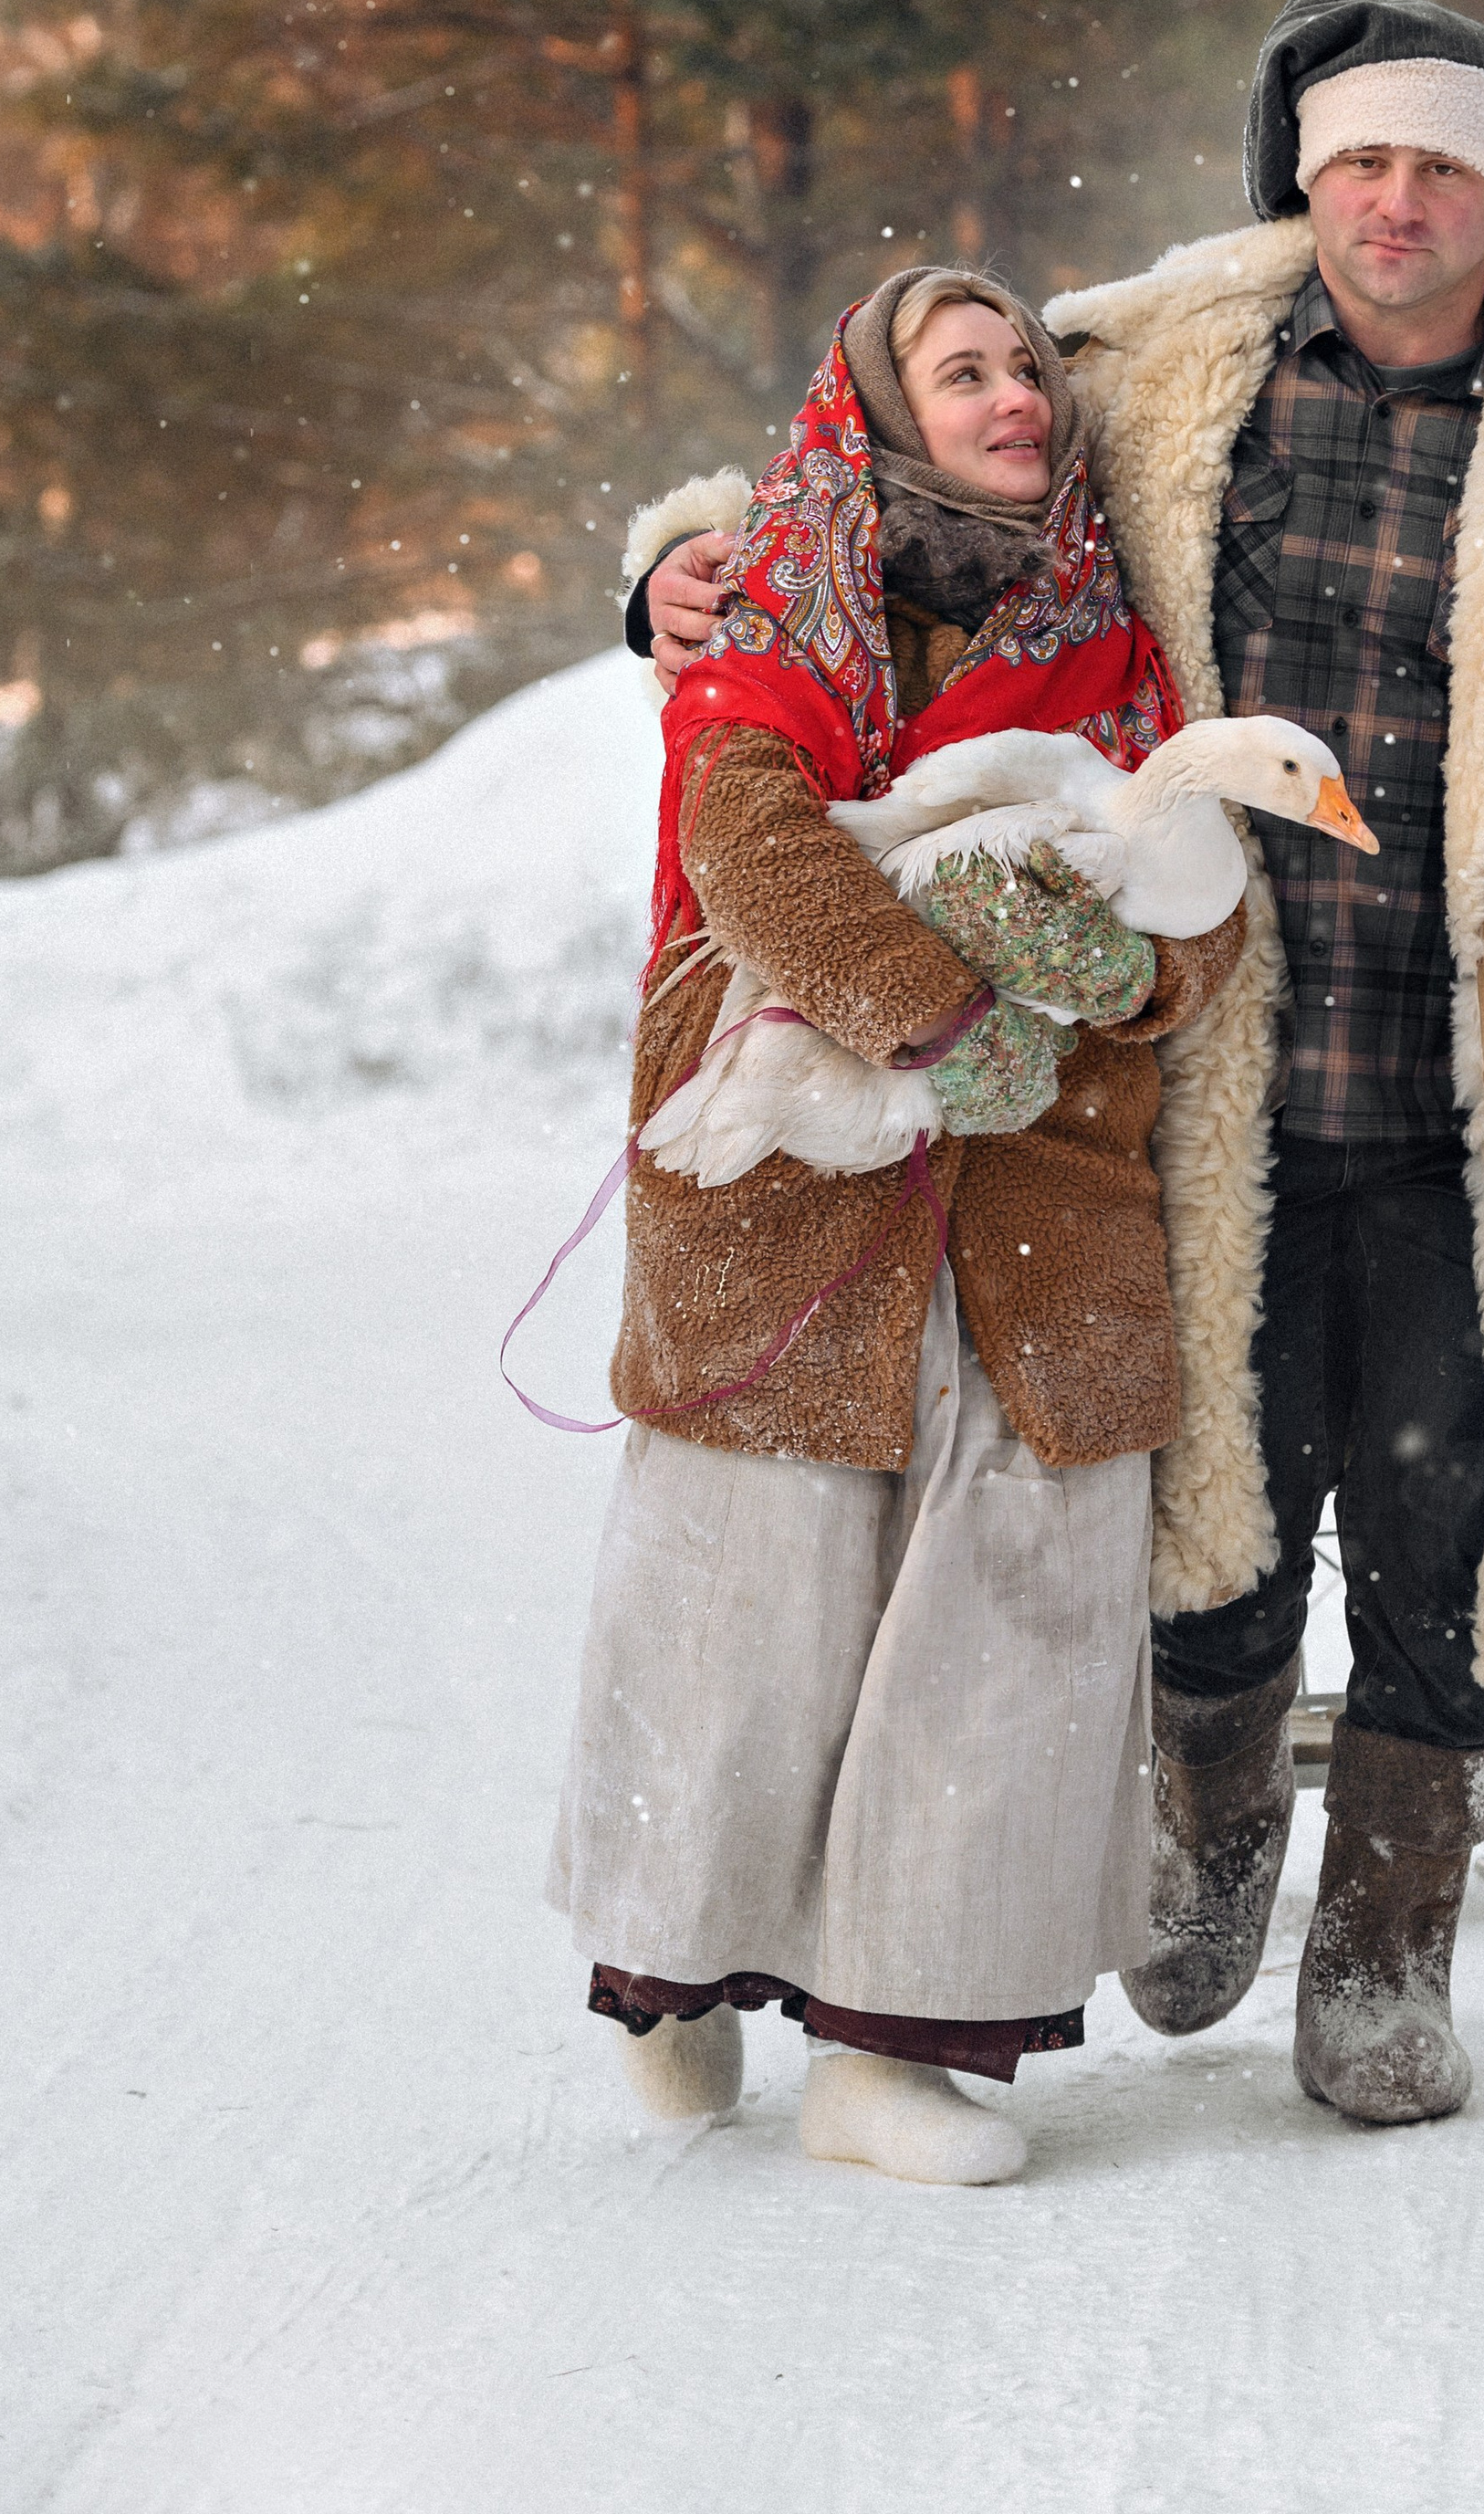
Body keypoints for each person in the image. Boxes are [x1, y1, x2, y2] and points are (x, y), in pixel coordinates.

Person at [636, 0, 1484, 2131]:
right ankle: (1207, 1839)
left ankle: (1383, 1947)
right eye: (1362, 158)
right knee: (1211, 1497)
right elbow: (892, 451)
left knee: (1444, 1505)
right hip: (1201, 1072)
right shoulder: (1154, 359)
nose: (1396, 200)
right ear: (1307, 171)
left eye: (1442, 167)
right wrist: (676, 573)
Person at [554, 266, 1242, 2188]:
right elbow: (748, 837)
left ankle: (891, 2054)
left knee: (1009, 1619)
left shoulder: (1113, 634)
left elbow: (1201, 895)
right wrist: (932, 1012)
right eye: (963, 371)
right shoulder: (779, 591)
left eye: (1027, 364)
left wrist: (1119, 982)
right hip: (785, 1178)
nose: (1013, 392)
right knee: (742, 1598)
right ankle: (678, 1968)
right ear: (878, 404)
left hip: (1049, 1198)